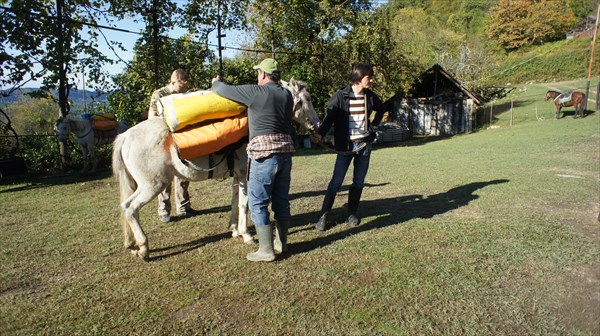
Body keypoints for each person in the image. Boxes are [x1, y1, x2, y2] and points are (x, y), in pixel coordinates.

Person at [211, 58, 294, 262]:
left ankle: (265, 250)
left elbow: (223, 91)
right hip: (285, 156)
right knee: (282, 201)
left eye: (259, 73)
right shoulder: (287, 95)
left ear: (263, 75)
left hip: (263, 157)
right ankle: (281, 244)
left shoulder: (256, 92)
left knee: (258, 202)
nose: (257, 76)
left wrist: (215, 82)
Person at [311, 64, 385, 231]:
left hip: (364, 146)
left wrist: (373, 126)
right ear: (359, 78)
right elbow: (329, 119)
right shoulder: (340, 96)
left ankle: (352, 214)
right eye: (369, 77)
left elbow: (381, 109)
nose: (372, 80)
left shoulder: (371, 96)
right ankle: (323, 216)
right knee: (336, 182)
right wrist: (320, 134)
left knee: (358, 181)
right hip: (345, 146)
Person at [148, 69, 196, 223]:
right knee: (166, 175)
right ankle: (164, 211)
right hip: (164, 140)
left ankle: (183, 207)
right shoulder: (159, 94)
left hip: (181, 138)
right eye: (181, 87)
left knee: (183, 172)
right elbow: (151, 117)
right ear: (173, 82)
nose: (184, 91)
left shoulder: (183, 94)